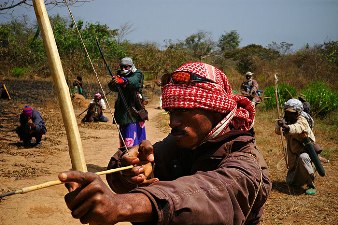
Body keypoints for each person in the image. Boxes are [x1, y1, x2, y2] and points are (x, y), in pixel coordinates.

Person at [59, 62, 271, 225]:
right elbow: (123, 175)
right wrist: (129, 171)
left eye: (184, 111)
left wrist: (122, 205)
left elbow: (210, 193)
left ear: (216, 111)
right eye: (171, 112)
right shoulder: (183, 143)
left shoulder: (247, 163)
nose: (173, 122)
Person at [275, 98, 320, 195]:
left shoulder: (302, 120)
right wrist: (280, 124)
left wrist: (287, 127)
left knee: (303, 159)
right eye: (287, 112)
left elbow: (298, 128)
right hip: (292, 151)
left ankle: (311, 184)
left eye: (291, 112)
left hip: (305, 151)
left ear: (297, 112)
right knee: (290, 182)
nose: (288, 114)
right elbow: (278, 132)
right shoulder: (287, 120)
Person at [108, 57, 147, 148]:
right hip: (122, 109)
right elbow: (112, 87)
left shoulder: (137, 73)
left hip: (135, 108)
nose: (123, 69)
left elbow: (135, 82)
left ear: (131, 66)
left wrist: (124, 80)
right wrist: (114, 82)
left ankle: (139, 154)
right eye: (121, 67)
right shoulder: (119, 75)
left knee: (135, 133)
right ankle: (126, 154)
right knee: (124, 135)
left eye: (126, 67)